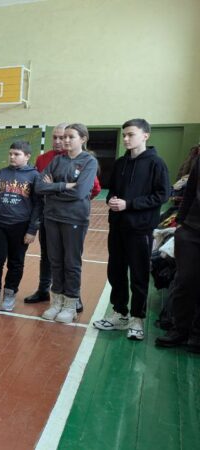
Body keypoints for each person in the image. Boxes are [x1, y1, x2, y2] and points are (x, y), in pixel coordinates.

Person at [93, 119, 169, 340]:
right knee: (116, 272)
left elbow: (162, 195)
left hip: (140, 229)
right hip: (117, 227)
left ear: (145, 135)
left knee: (138, 274)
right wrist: (111, 199)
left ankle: (137, 318)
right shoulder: (120, 163)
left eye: (131, 134)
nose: (126, 139)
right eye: (124, 135)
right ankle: (120, 313)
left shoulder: (156, 163)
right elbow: (112, 190)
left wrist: (129, 204)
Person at [24, 123, 101, 310]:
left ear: (82, 139)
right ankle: (50, 294)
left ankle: (72, 299)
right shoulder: (50, 159)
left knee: (71, 261)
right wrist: (64, 186)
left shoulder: (88, 161)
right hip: (50, 216)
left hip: (73, 217)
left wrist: (54, 191)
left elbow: (84, 191)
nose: (62, 140)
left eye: (67, 137)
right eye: (58, 137)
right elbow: (39, 187)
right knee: (52, 258)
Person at [0, 141, 42, 311]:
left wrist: (32, 230)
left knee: (16, 262)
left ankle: (10, 294)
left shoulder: (34, 176)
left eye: (17, 154)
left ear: (27, 156)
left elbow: (38, 205)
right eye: (10, 154)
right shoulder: (2, 173)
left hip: (21, 226)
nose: (12, 157)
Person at [156, 152, 200, 352]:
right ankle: (179, 330)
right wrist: (181, 222)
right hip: (191, 229)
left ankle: (197, 334)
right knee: (184, 281)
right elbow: (190, 190)